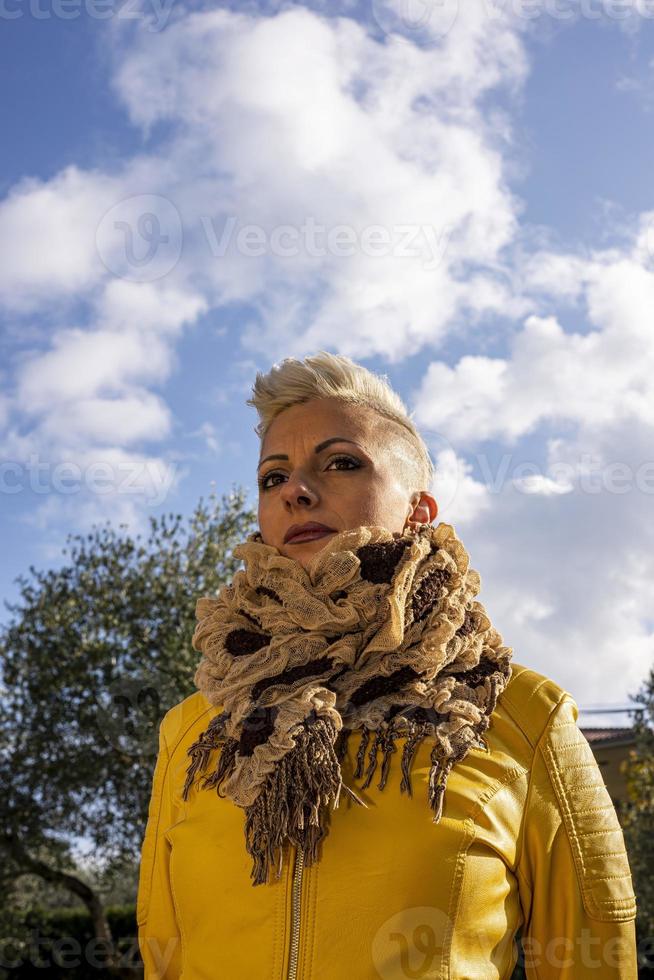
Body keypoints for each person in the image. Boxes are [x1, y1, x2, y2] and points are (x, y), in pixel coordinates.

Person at [136, 351, 638, 979]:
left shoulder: (523, 716)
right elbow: (166, 959)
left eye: (342, 462)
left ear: (419, 511)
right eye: (273, 477)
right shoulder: (190, 732)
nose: (296, 489)